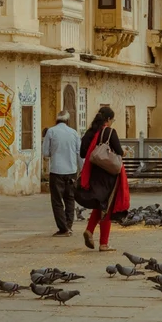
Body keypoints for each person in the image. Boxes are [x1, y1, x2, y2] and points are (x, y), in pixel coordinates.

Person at [76, 107, 129, 252]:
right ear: (109, 119)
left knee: (100, 204)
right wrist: (123, 151)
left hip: (94, 174)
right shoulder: (109, 132)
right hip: (108, 175)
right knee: (107, 206)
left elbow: (82, 153)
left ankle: (89, 230)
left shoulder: (90, 132)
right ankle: (104, 243)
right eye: (112, 120)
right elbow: (118, 151)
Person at [42, 111, 81, 237]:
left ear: (56, 120)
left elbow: (46, 153)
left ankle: (63, 228)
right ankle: (68, 225)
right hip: (72, 171)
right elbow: (80, 154)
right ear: (67, 121)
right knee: (70, 199)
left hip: (56, 171)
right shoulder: (74, 133)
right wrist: (82, 170)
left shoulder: (51, 132)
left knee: (57, 200)